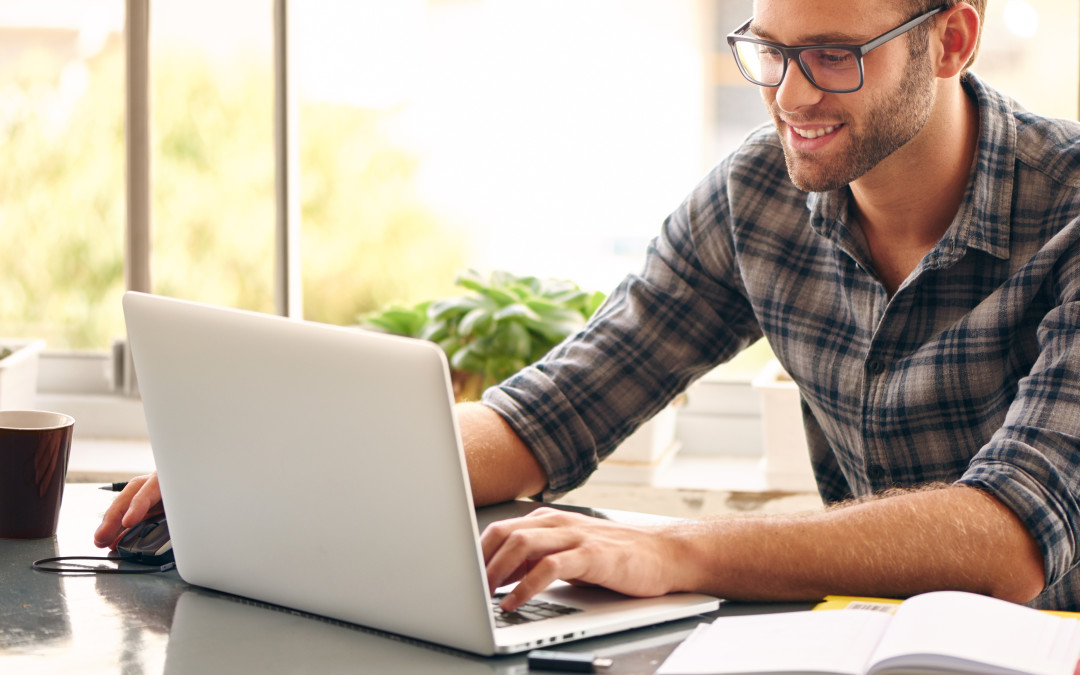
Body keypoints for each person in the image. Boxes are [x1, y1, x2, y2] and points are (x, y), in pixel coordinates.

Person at [96, 0, 1080, 613]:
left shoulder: (1070, 205)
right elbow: (553, 411)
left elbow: (1010, 539)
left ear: (952, 37)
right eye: (766, 50)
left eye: (831, 55)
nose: (789, 95)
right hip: (875, 635)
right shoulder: (759, 194)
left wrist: (667, 550)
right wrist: (263, 475)